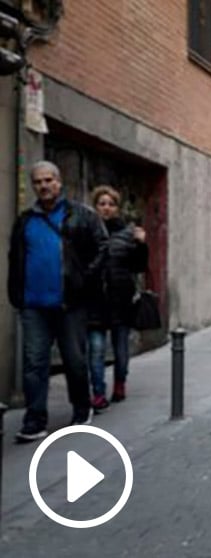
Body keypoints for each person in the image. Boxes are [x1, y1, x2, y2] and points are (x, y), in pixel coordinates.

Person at [7, 161, 107, 441]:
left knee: (74, 360)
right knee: (34, 363)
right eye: (38, 181)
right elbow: (15, 258)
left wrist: (83, 280)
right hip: (33, 305)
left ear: (59, 182)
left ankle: (81, 408)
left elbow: (102, 247)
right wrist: (17, 295)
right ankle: (34, 420)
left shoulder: (81, 216)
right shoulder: (25, 220)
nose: (44, 186)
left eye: (49, 180)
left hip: (70, 304)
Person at [87, 185, 148, 409]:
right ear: (95, 207)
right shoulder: (87, 232)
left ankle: (120, 383)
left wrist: (141, 244)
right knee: (96, 349)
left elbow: (139, 266)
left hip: (120, 300)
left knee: (121, 348)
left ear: (117, 208)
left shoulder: (127, 233)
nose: (106, 208)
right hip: (94, 300)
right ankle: (98, 393)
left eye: (111, 204)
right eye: (102, 204)